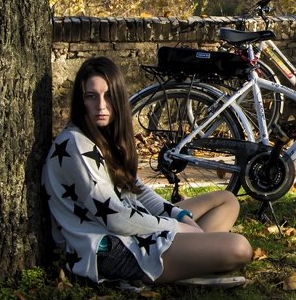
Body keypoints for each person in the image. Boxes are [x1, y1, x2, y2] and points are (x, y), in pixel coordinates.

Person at [43, 56, 252, 285]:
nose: (101, 106)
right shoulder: (75, 144)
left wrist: (179, 216)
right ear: (80, 101)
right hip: (108, 248)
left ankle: (186, 265)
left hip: (132, 223)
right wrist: (178, 228)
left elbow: (137, 189)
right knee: (239, 248)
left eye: (109, 96)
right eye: (91, 96)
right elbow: (116, 220)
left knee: (227, 201)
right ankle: (184, 266)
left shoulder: (107, 135)